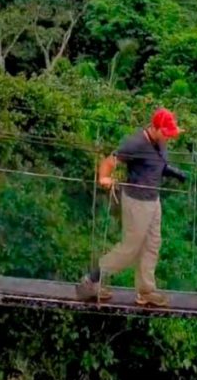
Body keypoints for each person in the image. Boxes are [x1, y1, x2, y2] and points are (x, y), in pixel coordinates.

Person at [76, 107, 187, 307]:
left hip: (154, 200)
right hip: (137, 202)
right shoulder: (135, 143)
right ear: (155, 127)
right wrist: (104, 177)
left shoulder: (160, 141)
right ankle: (91, 281)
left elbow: (157, 165)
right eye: (166, 133)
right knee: (130, 249)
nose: (169, 138)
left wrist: (176, 173)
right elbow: (109, 162)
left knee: (152, 245)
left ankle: (146, 291)